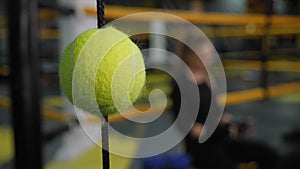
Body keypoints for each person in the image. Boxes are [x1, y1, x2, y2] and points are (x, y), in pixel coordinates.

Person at [171, 40, 278, 169]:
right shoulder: (181, 86)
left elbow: (218, 116)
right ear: (190, 55)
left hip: (221, 140)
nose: (208, 59)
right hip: (202, 148)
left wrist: (236, 126)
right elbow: (195, 131)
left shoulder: (207, 80)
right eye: (203, 55)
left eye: (209, 54)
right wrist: (225, 131)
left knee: (268, 153)